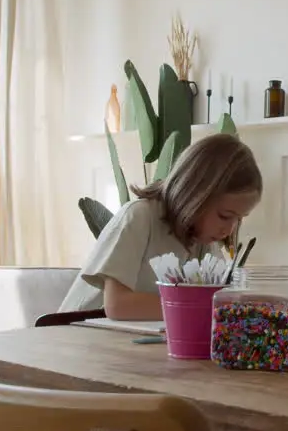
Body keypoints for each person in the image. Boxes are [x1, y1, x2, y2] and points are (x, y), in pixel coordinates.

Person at [58, 132, 263, 316]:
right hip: (73, 338)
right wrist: (204, 305)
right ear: (195, 195)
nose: (229, 230)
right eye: (225, 216)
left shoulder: (201, 240)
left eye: (239, 219)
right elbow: (117, 305)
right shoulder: (139, 216)